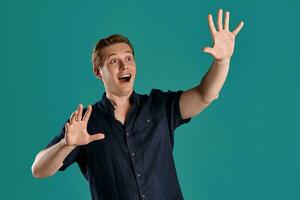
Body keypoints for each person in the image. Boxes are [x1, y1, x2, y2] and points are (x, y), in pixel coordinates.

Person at [31, 8, 244, 200]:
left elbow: (205, 95)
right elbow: (39, 169)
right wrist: (66, 145)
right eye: (114, 61)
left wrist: (222, 61)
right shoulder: (85, 122)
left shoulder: (159, 106)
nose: (124, 65)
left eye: (129, 58)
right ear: (98, 72)